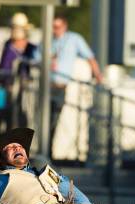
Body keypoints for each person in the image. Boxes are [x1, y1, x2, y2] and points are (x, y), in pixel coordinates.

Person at [47, 15, 103, 149]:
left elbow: (90, 57)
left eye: (57, 27)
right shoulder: (48, 40)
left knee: (53, 119)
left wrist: (98, 76)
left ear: (64, 27)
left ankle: (48, 150)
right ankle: (45, 149)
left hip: (60, 85)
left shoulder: (74, 39)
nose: (55, 30)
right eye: (53, 27)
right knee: (45, 120)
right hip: (45, 86)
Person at [0, 13, 37, 129]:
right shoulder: (8, 45)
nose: (14, 31)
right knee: (9, 117)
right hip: (8, 87)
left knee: (22, 116)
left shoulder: (31, 48)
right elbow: (3, 66)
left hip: (26, 90)